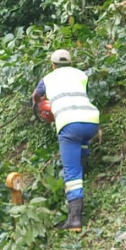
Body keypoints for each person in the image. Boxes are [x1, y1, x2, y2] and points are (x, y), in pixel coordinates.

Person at [31, 49, 101, 231]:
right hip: (92, 121)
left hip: (69, 124)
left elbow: (36, 96)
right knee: (82, 142)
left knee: (71, 173)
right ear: (70, 63)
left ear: (52, 65)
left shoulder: (48, 79)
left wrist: (38, 105)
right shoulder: (81, 75)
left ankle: (75, 219)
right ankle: (86, 168)